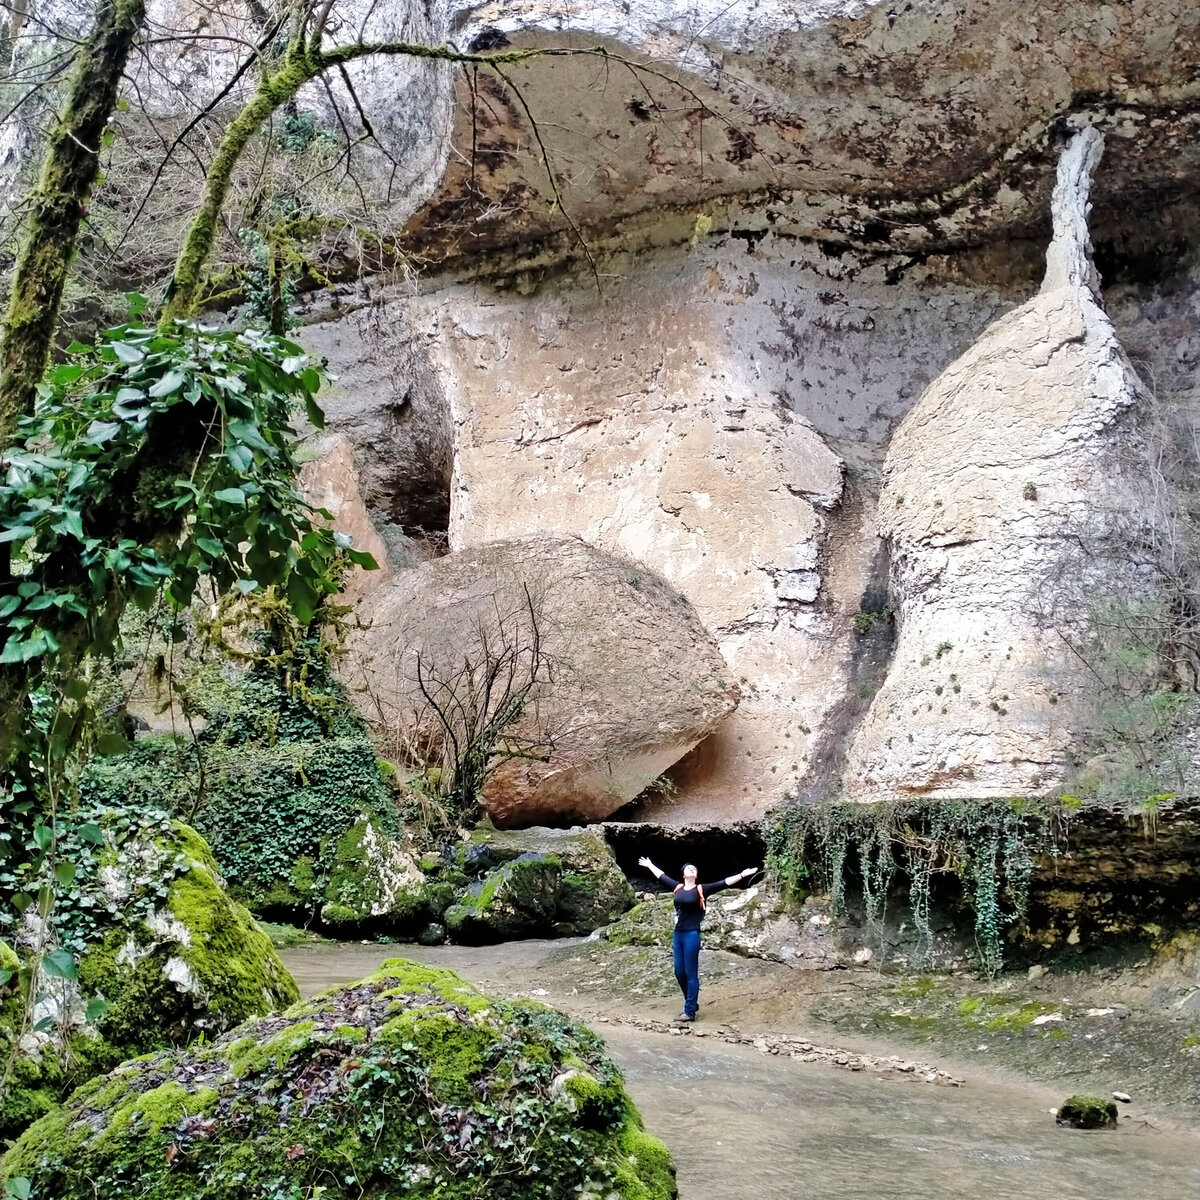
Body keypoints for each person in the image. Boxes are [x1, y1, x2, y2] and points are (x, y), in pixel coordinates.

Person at [637, 855, 759, 1023]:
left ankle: (689, 1012)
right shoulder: (678, 888)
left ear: (696, 874)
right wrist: (650, 865)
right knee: (678, 972)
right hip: (677, 934)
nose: (692, 869)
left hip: (692, 934)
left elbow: (723, 883)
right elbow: (662, 876)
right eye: (689, 868)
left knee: (691, 973)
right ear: (684, 874)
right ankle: (692, 1002)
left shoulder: (701, 889)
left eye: (694, 868)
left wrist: (743, 875)